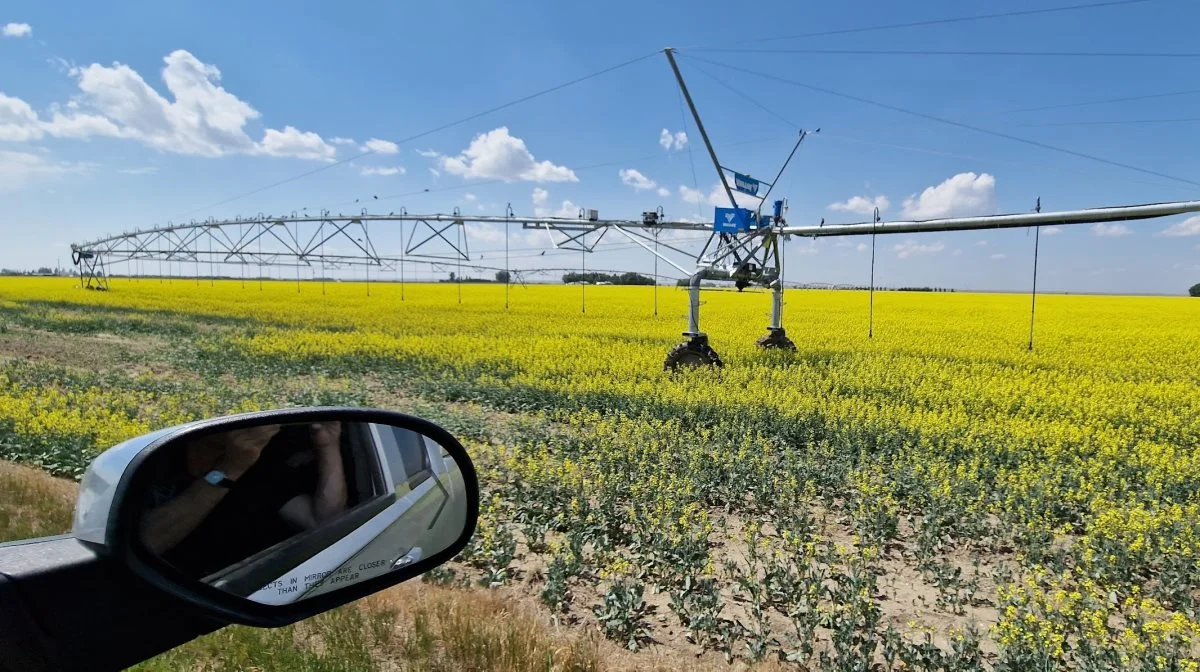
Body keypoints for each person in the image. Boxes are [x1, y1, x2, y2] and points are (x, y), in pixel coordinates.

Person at [139, 421, 348, 578]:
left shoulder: (260, 467)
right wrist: (230, 468)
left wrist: (328, 445)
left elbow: (324, 521)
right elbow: (148, 542)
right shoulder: (155, 455)